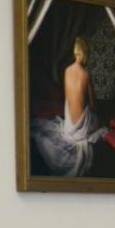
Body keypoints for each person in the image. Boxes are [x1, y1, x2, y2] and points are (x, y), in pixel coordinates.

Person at [30, 36, 107, 176]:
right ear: (85, 54)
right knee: (101, 123)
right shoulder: (86, 74)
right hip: (81, 127)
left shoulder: (66, 71)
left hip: (69, 124)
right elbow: (93, 105)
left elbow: (68, 97)